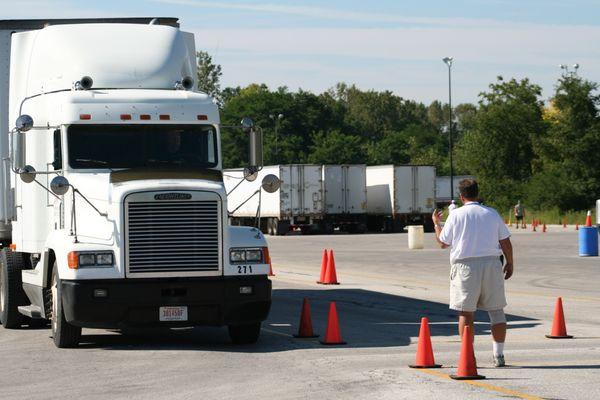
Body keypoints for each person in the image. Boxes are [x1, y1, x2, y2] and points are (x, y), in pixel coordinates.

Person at [432, 179, 514, 367]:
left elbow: (443, 242)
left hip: (465, 267)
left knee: (466, 313)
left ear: (461, 196)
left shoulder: (456, 215)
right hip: (492, 264)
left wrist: (436, 224)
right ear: (477, 193)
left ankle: (469, 356)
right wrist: (510, 263)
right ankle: (499, 355)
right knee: (497, 311)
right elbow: (505, 242)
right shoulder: (492, 213)